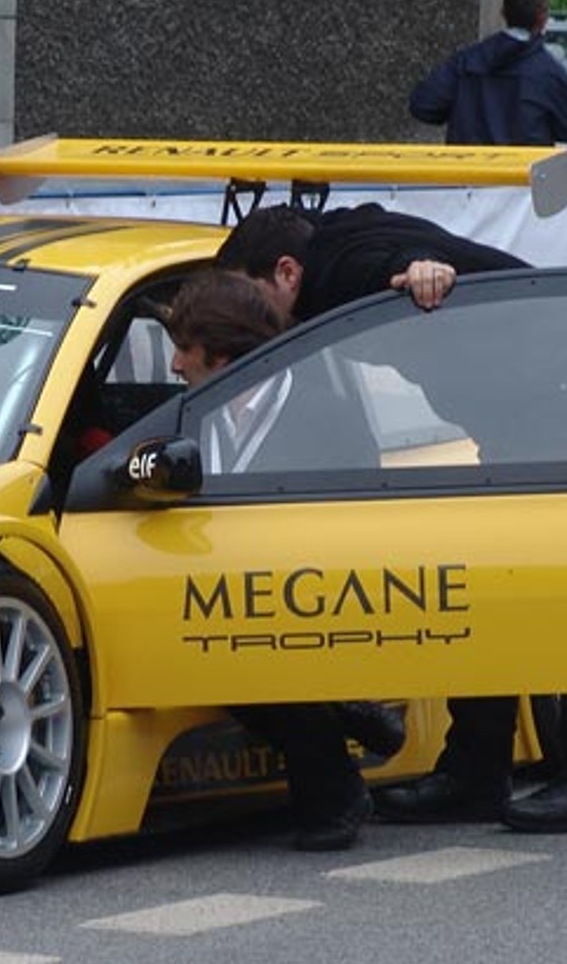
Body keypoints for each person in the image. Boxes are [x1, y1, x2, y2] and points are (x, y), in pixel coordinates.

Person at [214, 202, 567, 833]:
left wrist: (421, 274)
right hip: (531, 400)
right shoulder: (336, 236)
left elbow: (398, 266)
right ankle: (475, 773)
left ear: (286, 271)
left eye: (249, 298)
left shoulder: (347, 268)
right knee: (494, 583)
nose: (245, 321)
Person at [164, 268, 397, 852]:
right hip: (206, 593)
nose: (173, 366)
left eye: (183, 350)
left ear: (220, 355)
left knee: (267, 651)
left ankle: (336, 790)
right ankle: (348, 712)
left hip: (308, 598)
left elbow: (360, 524)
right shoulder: (181, 418)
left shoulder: (325, 414)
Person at [409, 0, 567, 146]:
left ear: (503, 12)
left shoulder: (466, 62)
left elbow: (423, 104)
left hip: (471, 171)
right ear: (542, 19)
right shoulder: (549, 74)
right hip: (523, 172)